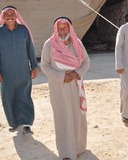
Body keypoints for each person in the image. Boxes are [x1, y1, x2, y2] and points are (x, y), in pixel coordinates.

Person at [41, 16, 90, 160]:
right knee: (63, 118)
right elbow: (44, 66)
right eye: (59, 28)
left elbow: (86, 62)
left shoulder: (77, 43)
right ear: (55, 29)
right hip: (58, 88)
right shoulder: (49, 45)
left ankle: (78, 148)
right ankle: (66, 152)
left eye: (65, 28)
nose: (62, 31)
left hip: (76, 86)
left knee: (77, 116)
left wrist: (77, 73)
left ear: (70, 28)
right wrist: (62, 77)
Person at [0, 5, 38, 135]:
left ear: (17, 16)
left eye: (12, 14)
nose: (10, 17)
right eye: (7, 15)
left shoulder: (24, 31)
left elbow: (30, 49)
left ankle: (26, 123)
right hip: (6, 72)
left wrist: (34, 66)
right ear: (3, 17)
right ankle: (14, 123)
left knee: (24, 96)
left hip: (23, 70)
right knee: (8, 97)